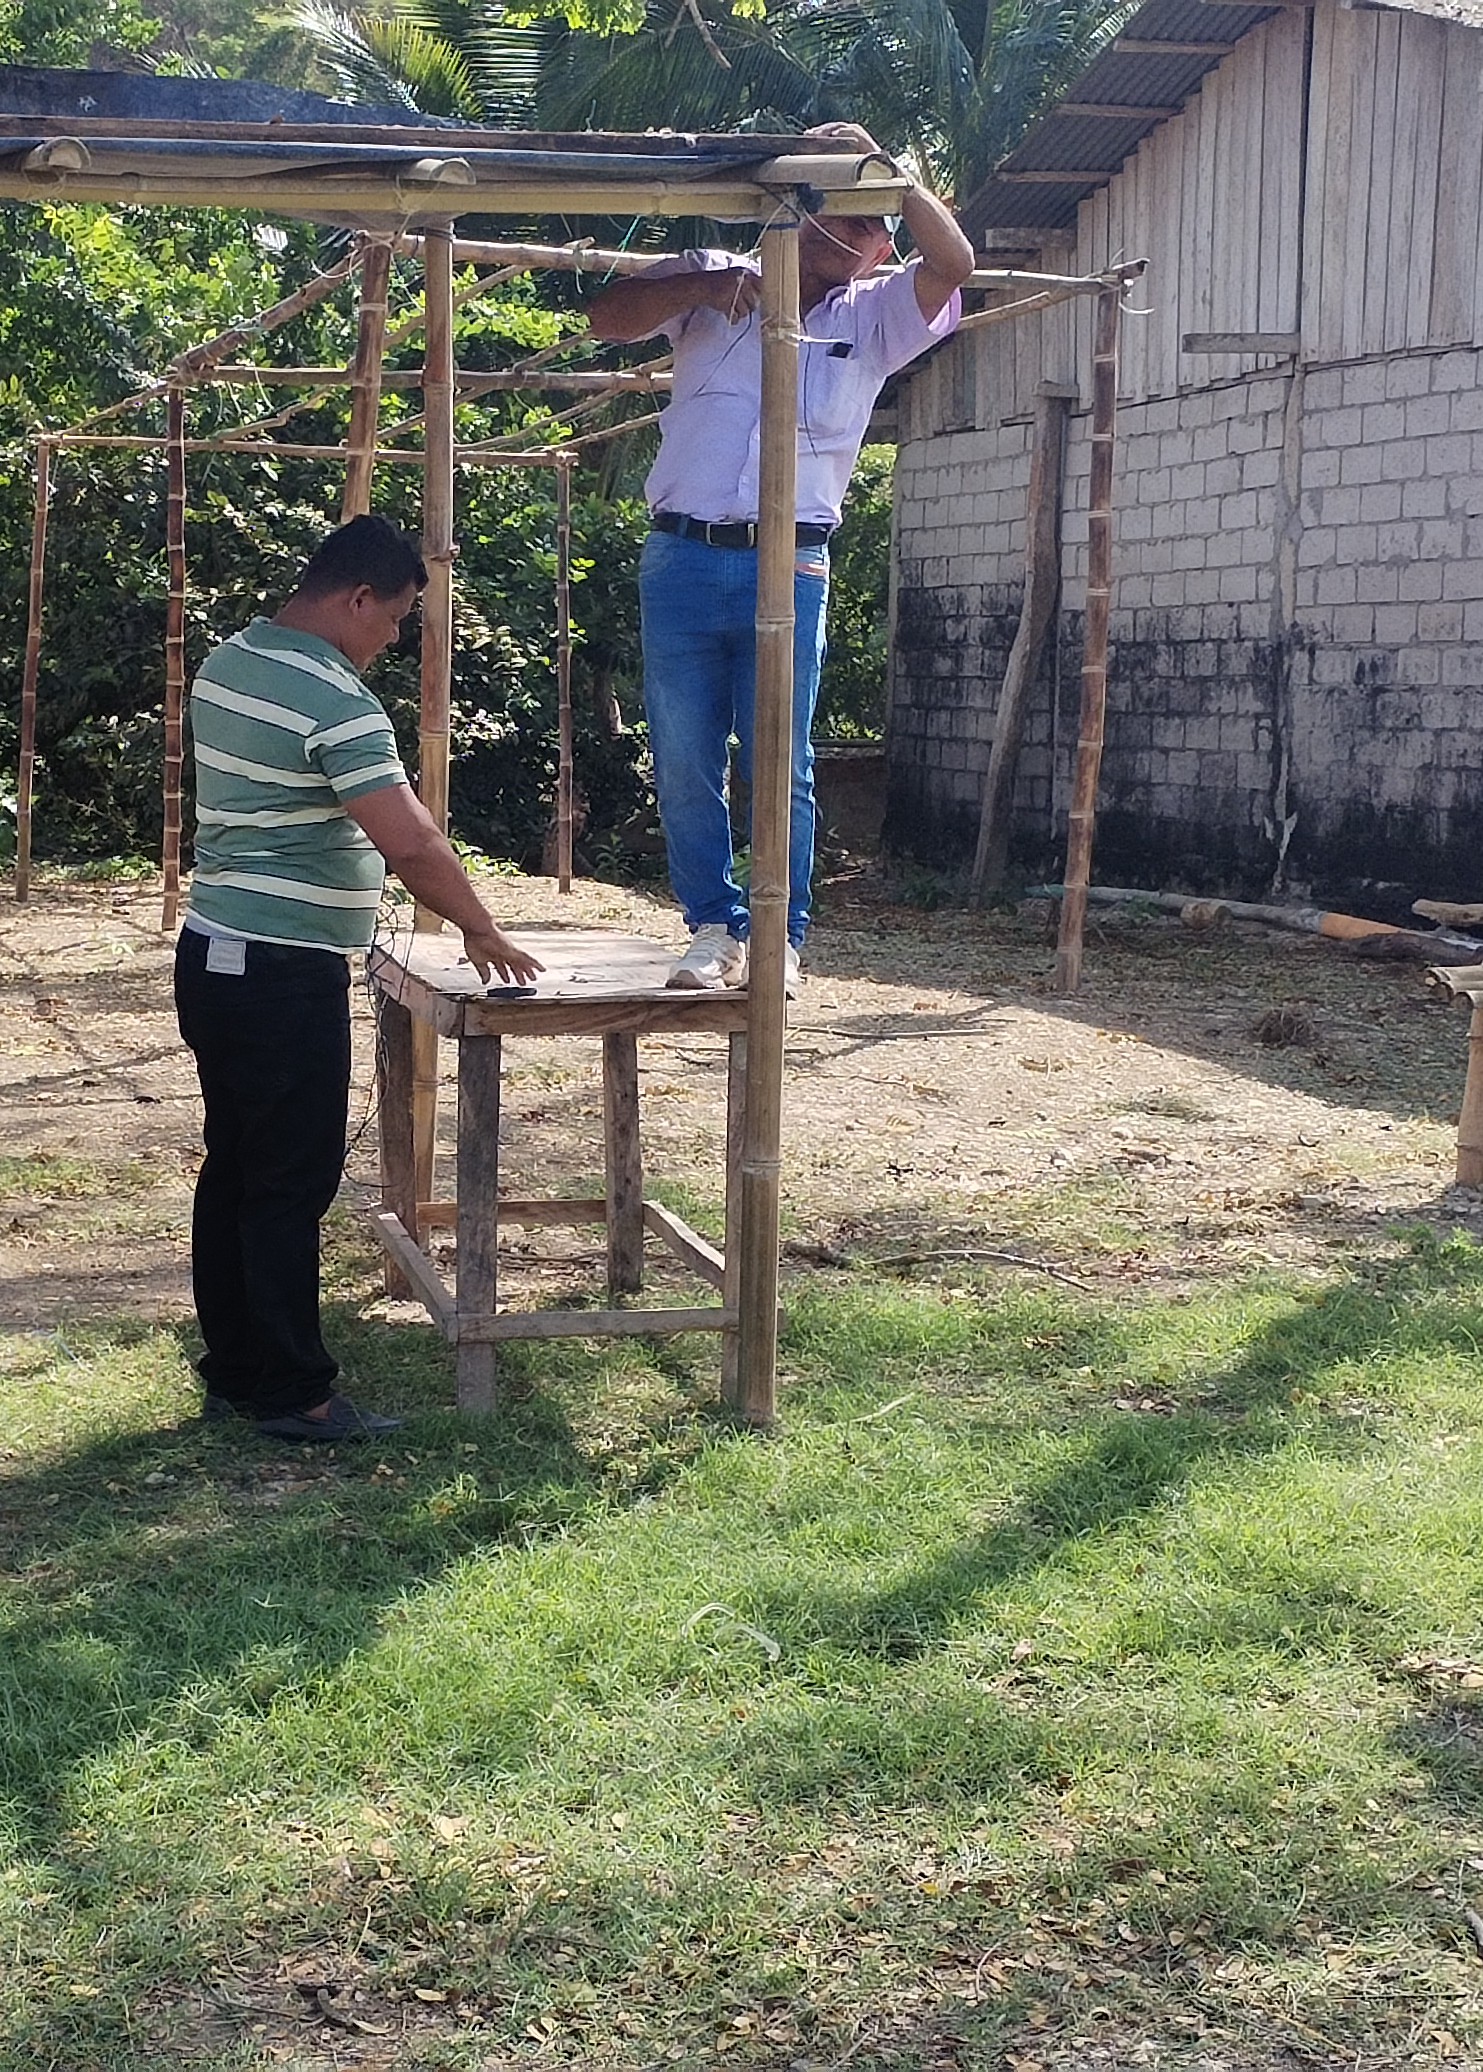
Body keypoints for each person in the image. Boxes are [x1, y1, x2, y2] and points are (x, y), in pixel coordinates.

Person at [176, 515, 546, 1442]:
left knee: (238, 1167)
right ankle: (295, 1393)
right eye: (395, 620)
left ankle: (238, 1367)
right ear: (358, 598)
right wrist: (481, 926)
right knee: (287, 1180)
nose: (391, 640)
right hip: (279, 970)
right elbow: (409, 840)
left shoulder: (227, 661)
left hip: (214, 953)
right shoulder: (334, 700)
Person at [586, 127, 974, 990]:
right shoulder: (714, 272)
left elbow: (956, 262)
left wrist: (892, 170)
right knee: (682, 755)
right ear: (798, 212)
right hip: (684, 552)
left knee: (779, 760)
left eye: (874, 223)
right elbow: (606, 318)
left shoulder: (876, 316)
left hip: (791, 562)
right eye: (842, 210)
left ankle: (778, 936)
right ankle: (711, 925)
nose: (859, 233)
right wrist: (710, 285)